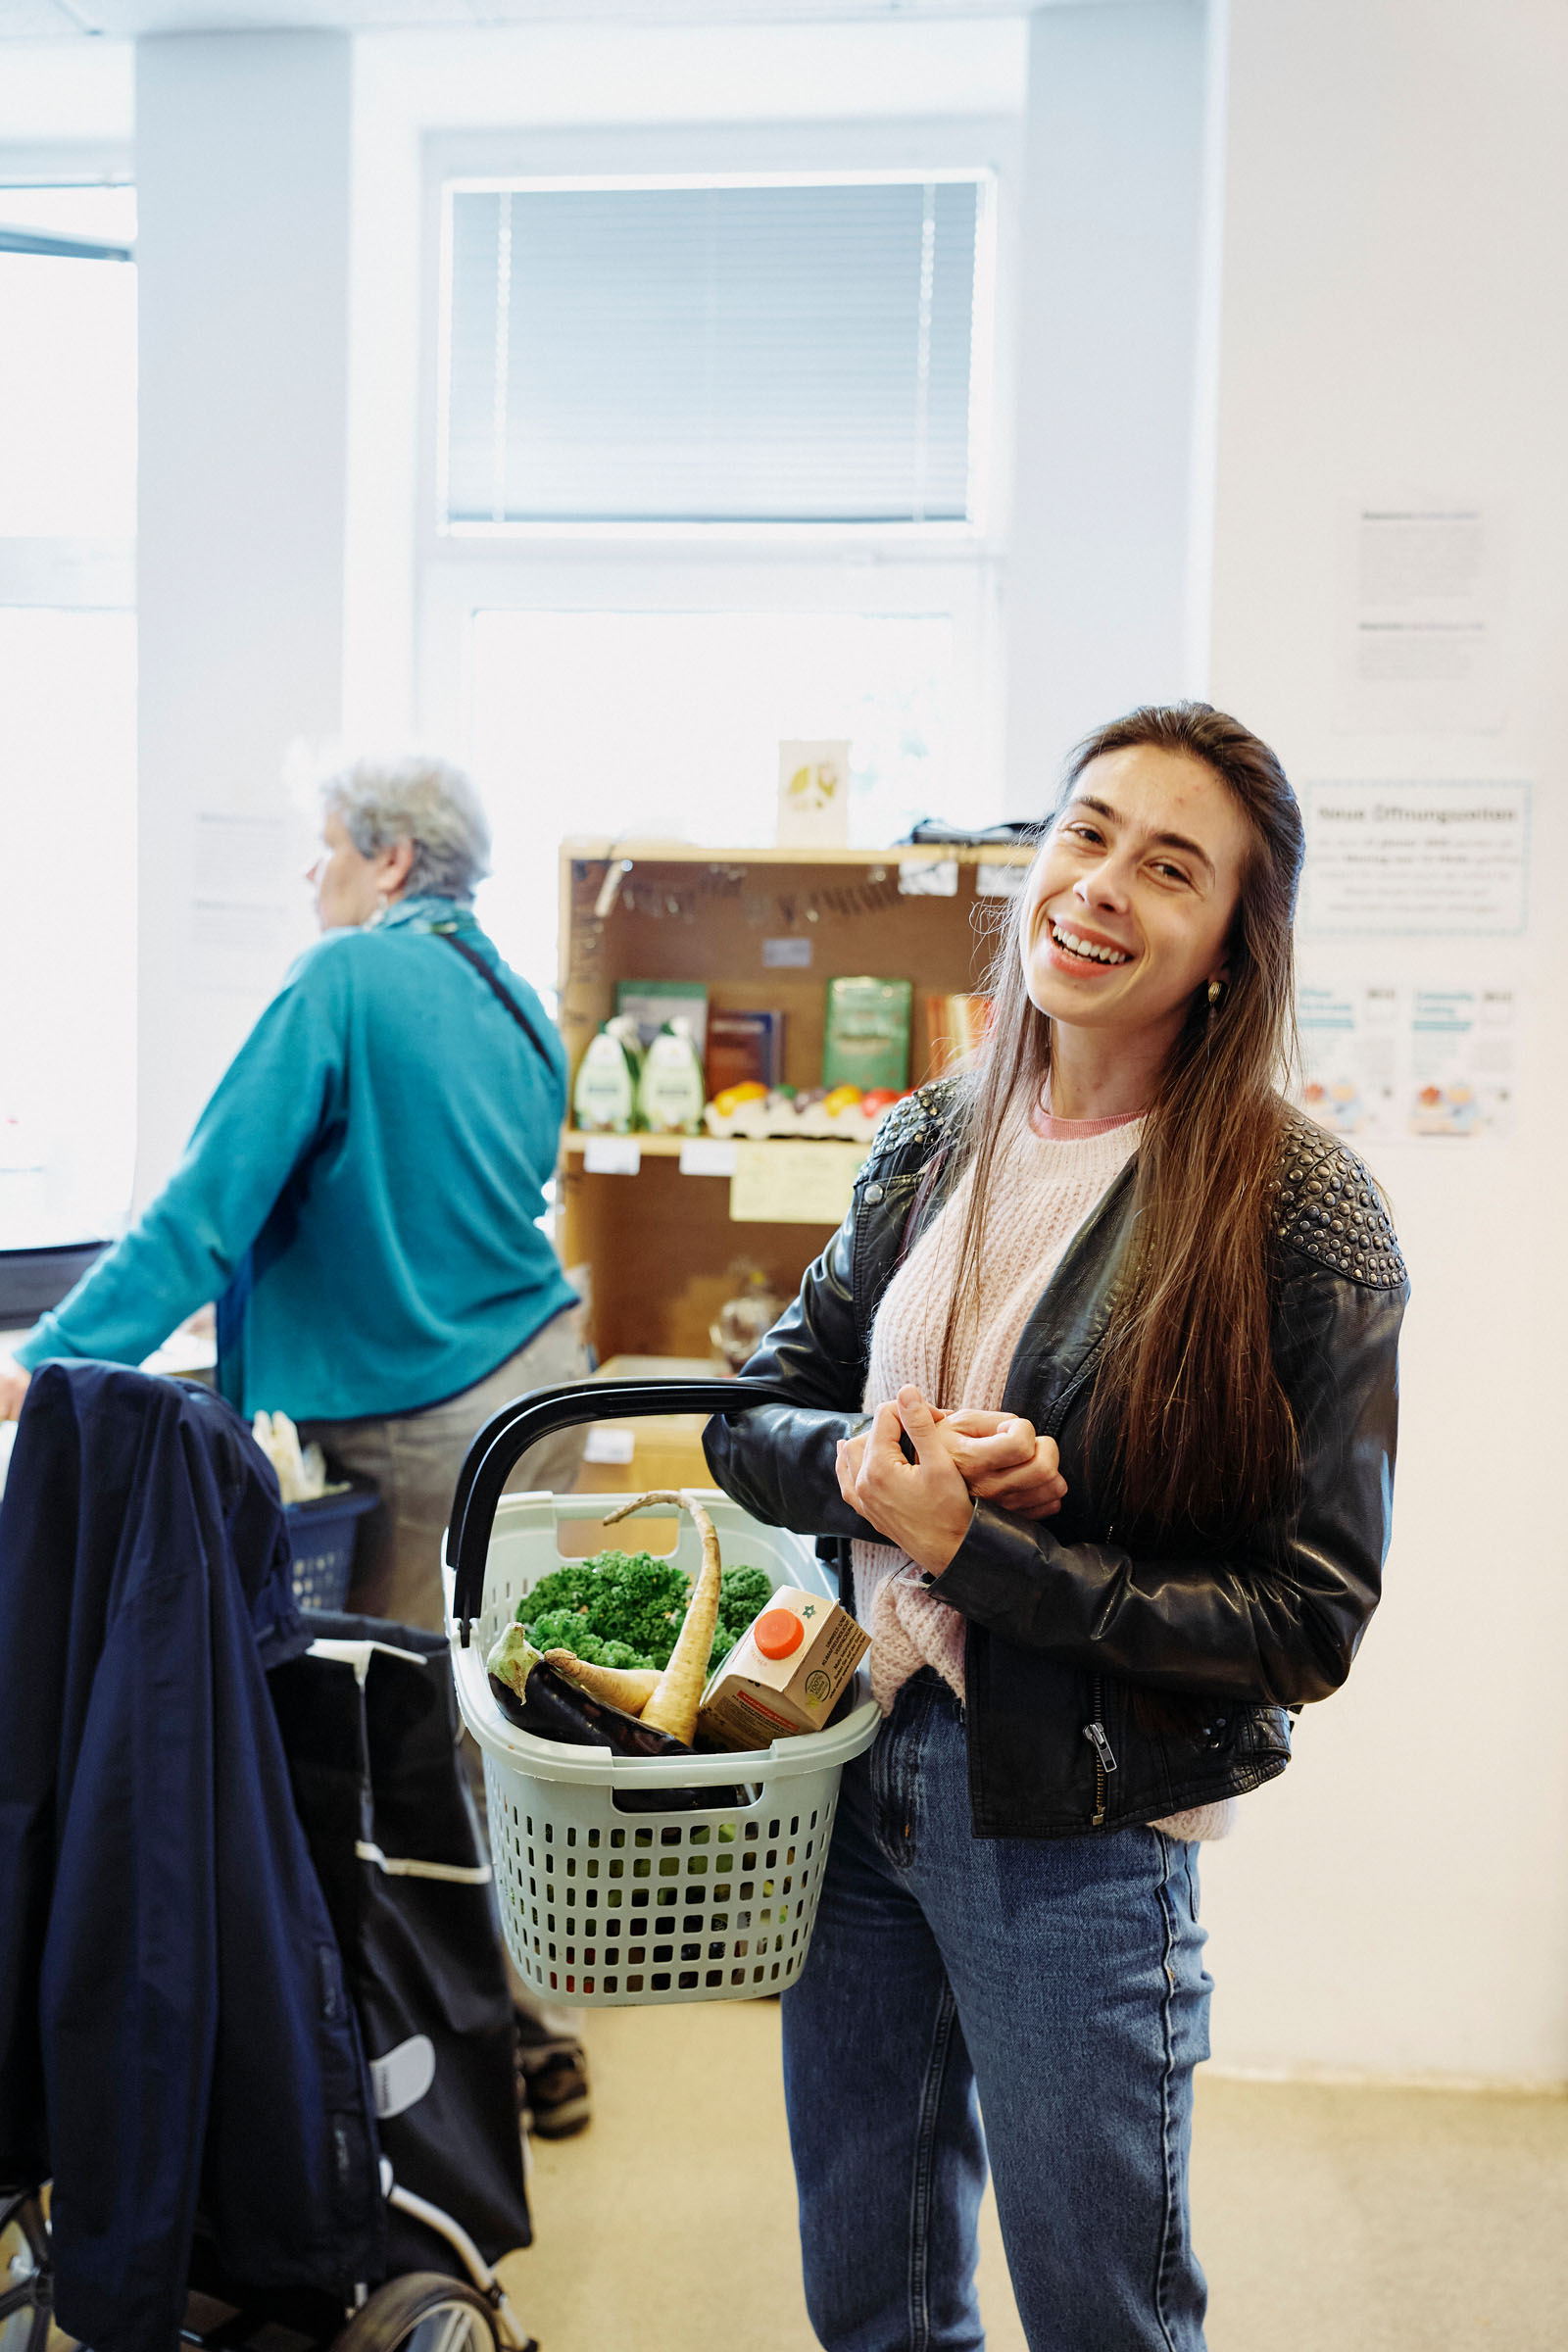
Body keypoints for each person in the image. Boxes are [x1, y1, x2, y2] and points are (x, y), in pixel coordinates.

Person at [704, 702, 1406, 2352]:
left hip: (1078, 1829)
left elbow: (1308, 1618)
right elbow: (757, 1416)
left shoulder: (1297, 1209)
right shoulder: (929, 1138)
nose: (1099, 886)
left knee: (1103, 2311)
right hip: (851, 1759)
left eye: (1170, 867)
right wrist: (879, 1471)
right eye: (1084, 833)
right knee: (866, 2291)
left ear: (1234, 945)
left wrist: (980, 1551)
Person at [1, 750, 592, 2133]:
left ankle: (433, 2074)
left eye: (322, 850)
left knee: (391, 1751)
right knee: (492, 1728)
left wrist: (47, 1363)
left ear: (388, 862)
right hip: (535, 1390)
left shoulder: (343, 979)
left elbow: (205, 1206)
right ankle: (534, 2034)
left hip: (421, 1424)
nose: (309, 878)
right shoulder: (521, 1005)